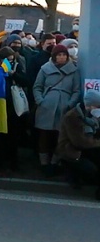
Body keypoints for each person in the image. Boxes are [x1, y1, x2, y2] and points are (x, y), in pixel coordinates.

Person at [33, 44, 80, 176]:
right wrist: (41, 101)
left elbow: (76, 90)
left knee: (60, 137)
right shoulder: (45, 69)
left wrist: (70, 103)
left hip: (64, 107)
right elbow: (37, 86)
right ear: (54, 56)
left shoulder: (74, 70)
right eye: (59, 55)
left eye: (64, 55)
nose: (61, 57)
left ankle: (55, 163)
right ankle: (44, 163)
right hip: (47, 106)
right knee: (44, 135)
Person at [0, 47, 29, 172]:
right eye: (6, 60)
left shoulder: (17, 67)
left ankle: (13, 162)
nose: (9, 62)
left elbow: (25, 81)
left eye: (11, 60)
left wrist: (12, 73)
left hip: (12, 106)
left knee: (12, 136)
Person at [57, 89, 100, 200]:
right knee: (92, 169)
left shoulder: (90, 117)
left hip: (86, 148)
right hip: (71, 151)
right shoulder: (72, 117)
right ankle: (73, 175)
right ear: (90, 106)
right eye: (98, 106)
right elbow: (79, 141)